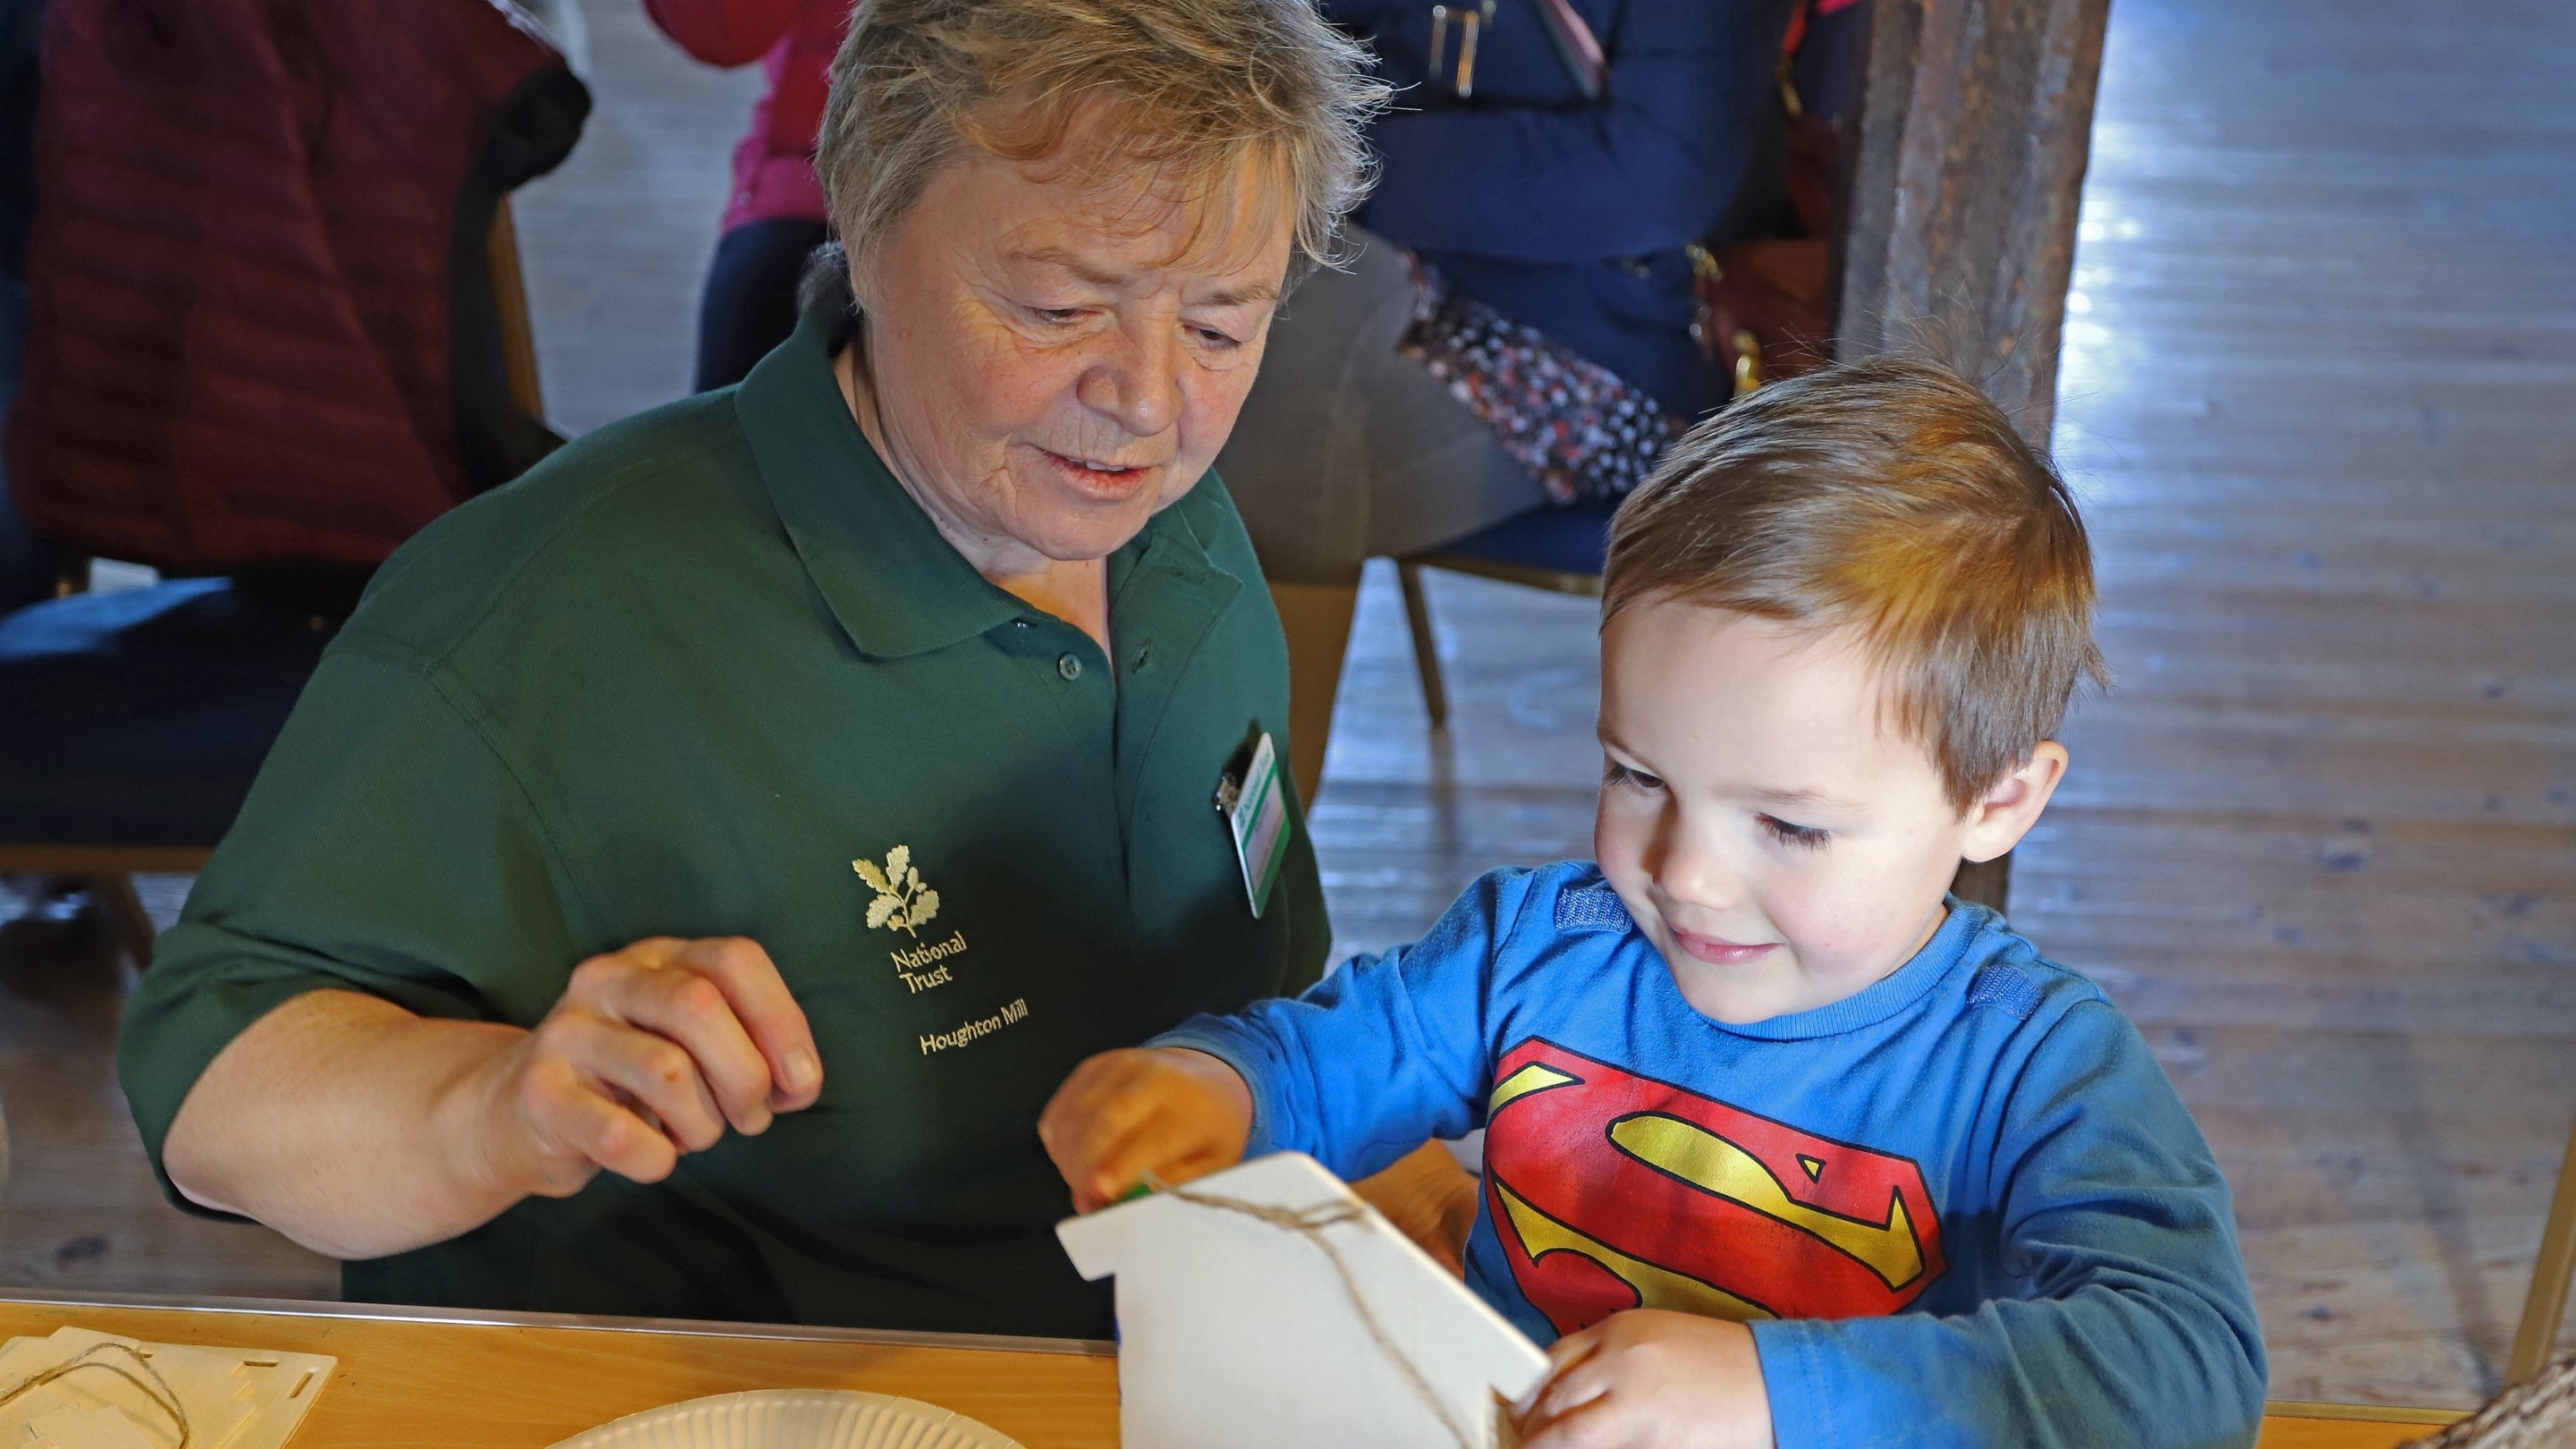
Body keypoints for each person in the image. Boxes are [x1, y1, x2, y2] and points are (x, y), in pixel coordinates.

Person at [114, 0, 1417, 1336]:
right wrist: (498, 1108)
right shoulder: (557, 610)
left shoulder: (1175, 536)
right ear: (859, 216)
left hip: (1158, 1370)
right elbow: (214, 1087)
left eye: (1218, 326)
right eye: (1059, 304)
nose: (1147, 401)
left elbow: (1260, 1005)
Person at [1040, 358, 2269, 1445]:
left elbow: (2191, 1366)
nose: (1684, 874)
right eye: (1637, 775)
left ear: (1999, 799)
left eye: (1788, 824)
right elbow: (1329, 1060)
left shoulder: (2033, 1064)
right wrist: (1214, 1086)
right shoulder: (1544, 948)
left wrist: (1771, 1398)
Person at [1216, 0, 1803, 797]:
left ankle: (1243, 848)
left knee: (1281, 384)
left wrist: (1334, 157)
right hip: (1371, 261)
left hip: (1599, 346)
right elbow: (1282, 70)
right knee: (1211, 335)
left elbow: (1655, 179)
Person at [642, 0, 843, 393]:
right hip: (816, 174)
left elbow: (724, 31)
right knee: (725, 421)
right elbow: (726, 30)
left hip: (935, 175)